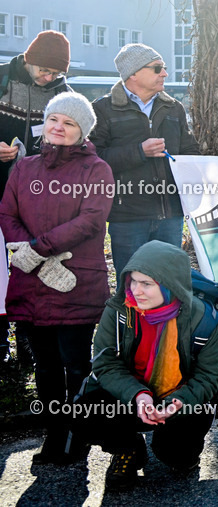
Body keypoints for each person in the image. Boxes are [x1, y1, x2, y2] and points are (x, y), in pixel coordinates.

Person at [0, 93, 112, 463]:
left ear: (82, 132)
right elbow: (7, 212)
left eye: (69, 123)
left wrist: (39, 250)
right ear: (45, 124)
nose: (58, 128)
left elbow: (91, 220)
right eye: (54, 120)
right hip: (31, 283)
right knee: (44, 365)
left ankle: (79, 432)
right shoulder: (24, 167)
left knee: (76, 362)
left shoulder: (96, 169)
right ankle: (54, 430)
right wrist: (29, 254)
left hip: (75, 280)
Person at [76, 241, 218, 487]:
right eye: (132, 281)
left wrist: (177, 403)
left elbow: (210, 376)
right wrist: (138, 396)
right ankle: (128, 449)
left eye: (147, 283)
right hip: (132, 396)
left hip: (181, 397)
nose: (136, 290)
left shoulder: (203, 318)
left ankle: (180, 452)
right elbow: (104, 364)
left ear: (170, 286)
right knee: (83, 411)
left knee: (175, 457)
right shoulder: (118, 311)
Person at [91, 44, 200, 285]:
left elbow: (190, 151)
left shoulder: (174, 108)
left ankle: (165, 325)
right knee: (130, 286)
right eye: (157, 68)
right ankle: (128, 325)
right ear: (133, 74)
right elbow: (94, 160)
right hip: (127, 217)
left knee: (168, 285)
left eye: (164, 68)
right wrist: (139, 151)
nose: (164, 74)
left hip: (170, 215)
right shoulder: (103, 110)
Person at [0, 30, 70, 369]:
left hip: (35, 198)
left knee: (28, 265)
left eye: (56, 73)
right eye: (44, 70)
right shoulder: (1, 78)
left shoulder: (62, 93)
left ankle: (29, 339)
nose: (49, 77)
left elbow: (74, 137)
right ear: (29, 59)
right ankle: (1, 342)